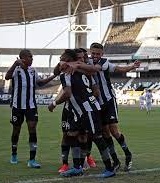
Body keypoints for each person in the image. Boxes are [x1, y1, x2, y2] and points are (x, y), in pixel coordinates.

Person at [48, 49, 115, 178]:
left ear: (67, 61)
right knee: (72, 134)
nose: (60, 61)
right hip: (78, 111)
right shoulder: (79, 70)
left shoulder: (67, 73)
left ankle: (109, 168)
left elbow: (67, 93)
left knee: (96, 137)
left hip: (88, 109)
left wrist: (54, 103)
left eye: (62, 59)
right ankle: (77, 167)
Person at [87, 42, 140, 171]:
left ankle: (128, 154)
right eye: (93, 53)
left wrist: (131, 67)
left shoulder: (104, 62)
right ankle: (115, 160)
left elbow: (118, 69)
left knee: (114, 131)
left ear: (102, 54)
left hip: (109, 101)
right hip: (97, 104)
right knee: (105, 133)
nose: (95, 56)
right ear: (90, 52)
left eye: (97, 54)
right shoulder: (87, 62)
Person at [5, 49, 59, 168]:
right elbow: (7, 77)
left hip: (31, 106)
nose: (32, 59)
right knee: (16, 130)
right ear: (23, 58)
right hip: (17, 106)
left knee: (32, 128)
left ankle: (32, 159)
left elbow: (40, 83)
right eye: (30, 57)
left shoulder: (33, 71)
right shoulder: (16, 70)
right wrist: (15, 64)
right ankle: (14, 154)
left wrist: (55, 75)